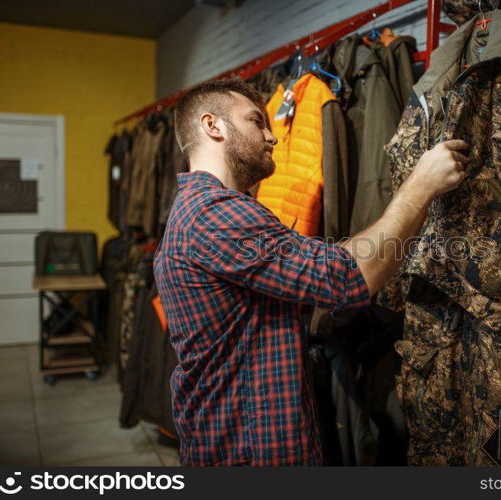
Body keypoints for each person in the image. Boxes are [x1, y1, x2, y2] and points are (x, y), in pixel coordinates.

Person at [154, 78, 469, 466]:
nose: (271, 137)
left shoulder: (208, 210)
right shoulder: (215, 215)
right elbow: (351, 275)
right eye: (256, 121)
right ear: (212, 126)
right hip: (251, 454)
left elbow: (322, 262)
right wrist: (422, 184)